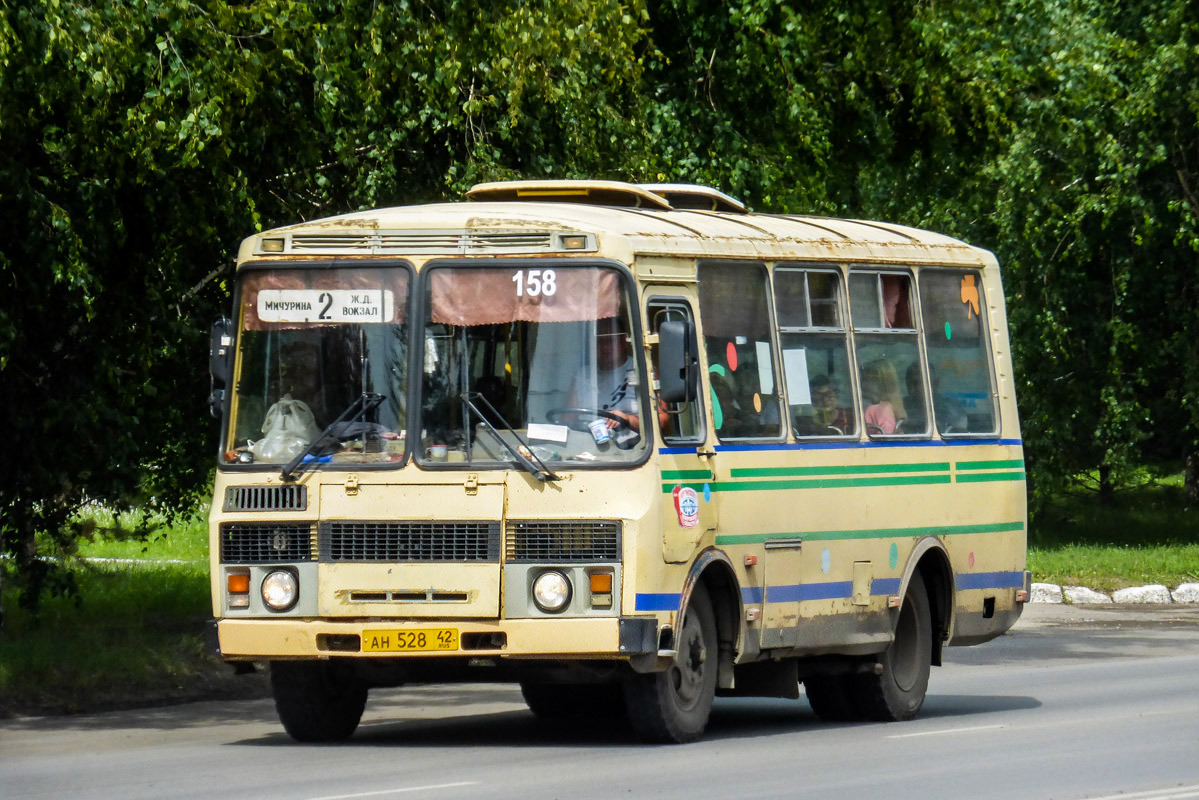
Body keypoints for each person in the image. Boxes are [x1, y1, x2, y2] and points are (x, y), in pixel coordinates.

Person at [570, 316, 668, 432]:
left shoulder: (643, 371)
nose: (605, 347)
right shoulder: (582, 375)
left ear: (625, 341)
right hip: (586, 444)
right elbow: (567, 419)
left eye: (611, 340)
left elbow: (662, 420)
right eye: (599, 341)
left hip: (632, 447)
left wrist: (627, 419)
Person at [860, 358, 906, 434]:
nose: (861, 383)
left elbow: (887, 438)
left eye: (866, 379)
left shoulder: (880, 410)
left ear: (880, 383)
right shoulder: (893, 406)